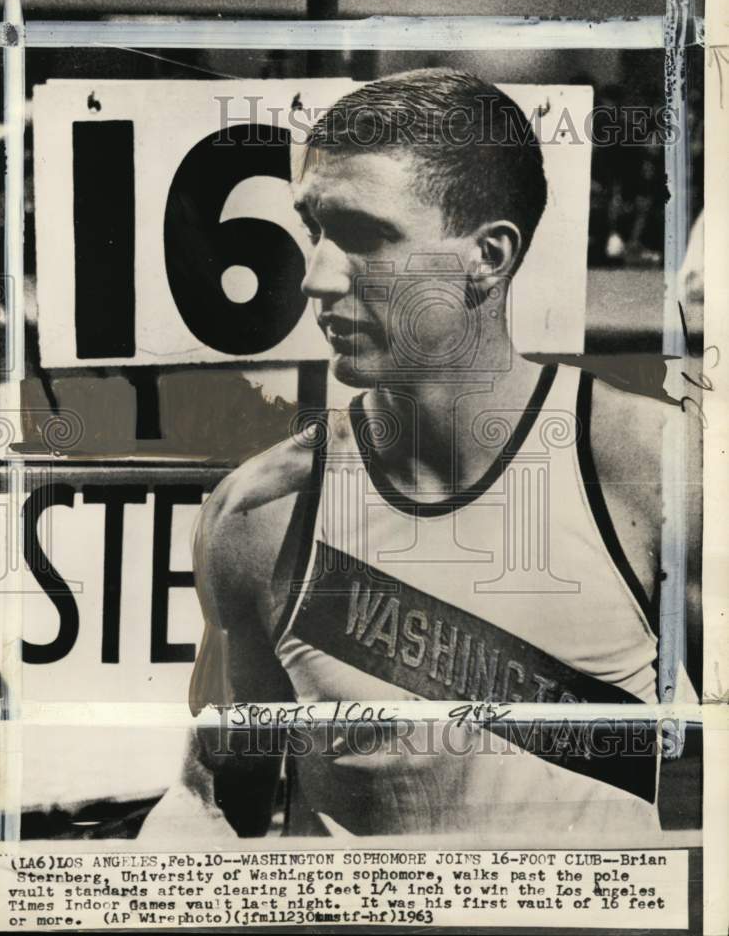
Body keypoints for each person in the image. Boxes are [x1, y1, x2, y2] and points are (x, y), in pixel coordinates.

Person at [140, 68, 699, 843]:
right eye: (314, 229)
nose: (316, 277)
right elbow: (214, 801)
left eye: (365, 236)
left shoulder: (662, 473)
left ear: (489, 256)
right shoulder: (259, 513)